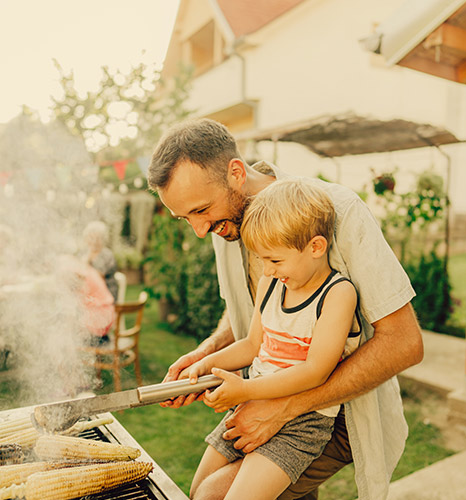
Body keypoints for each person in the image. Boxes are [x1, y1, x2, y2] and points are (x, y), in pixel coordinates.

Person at [147, 118, 423, 500]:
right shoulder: (226, 220)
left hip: (333, 411)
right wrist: (206, 356)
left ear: (236, 173)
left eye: (201, 210)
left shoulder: (338, 210)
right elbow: (254, 313)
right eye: (186, 217)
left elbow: (404, 342)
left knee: (211, 495)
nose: (198, 229)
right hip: (263, 393)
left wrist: (283, 408)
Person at [187, 178, 361, 499]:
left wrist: (245, 389)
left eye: (274, 260)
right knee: (199, 492)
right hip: (251, 403)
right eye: (262, 260)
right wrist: (205, 364)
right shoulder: (272, 285)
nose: (266, 271)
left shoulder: (337, 294)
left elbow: (315, 371)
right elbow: (252, 346)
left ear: (316, 247)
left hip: (301, 423)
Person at [56, 254, 115, 344]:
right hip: (107, 317)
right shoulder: (87, 270)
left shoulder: (79, 275)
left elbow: (72, 302)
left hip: (98, 321)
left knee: (63, 325)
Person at [81, 221, 119, 301]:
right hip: (89, 294)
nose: (94, 241)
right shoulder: (84, 254)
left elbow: (98, 277)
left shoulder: (106, 255)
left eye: (97, 238)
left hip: (106, 296)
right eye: (91, 237)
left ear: (103, 239)